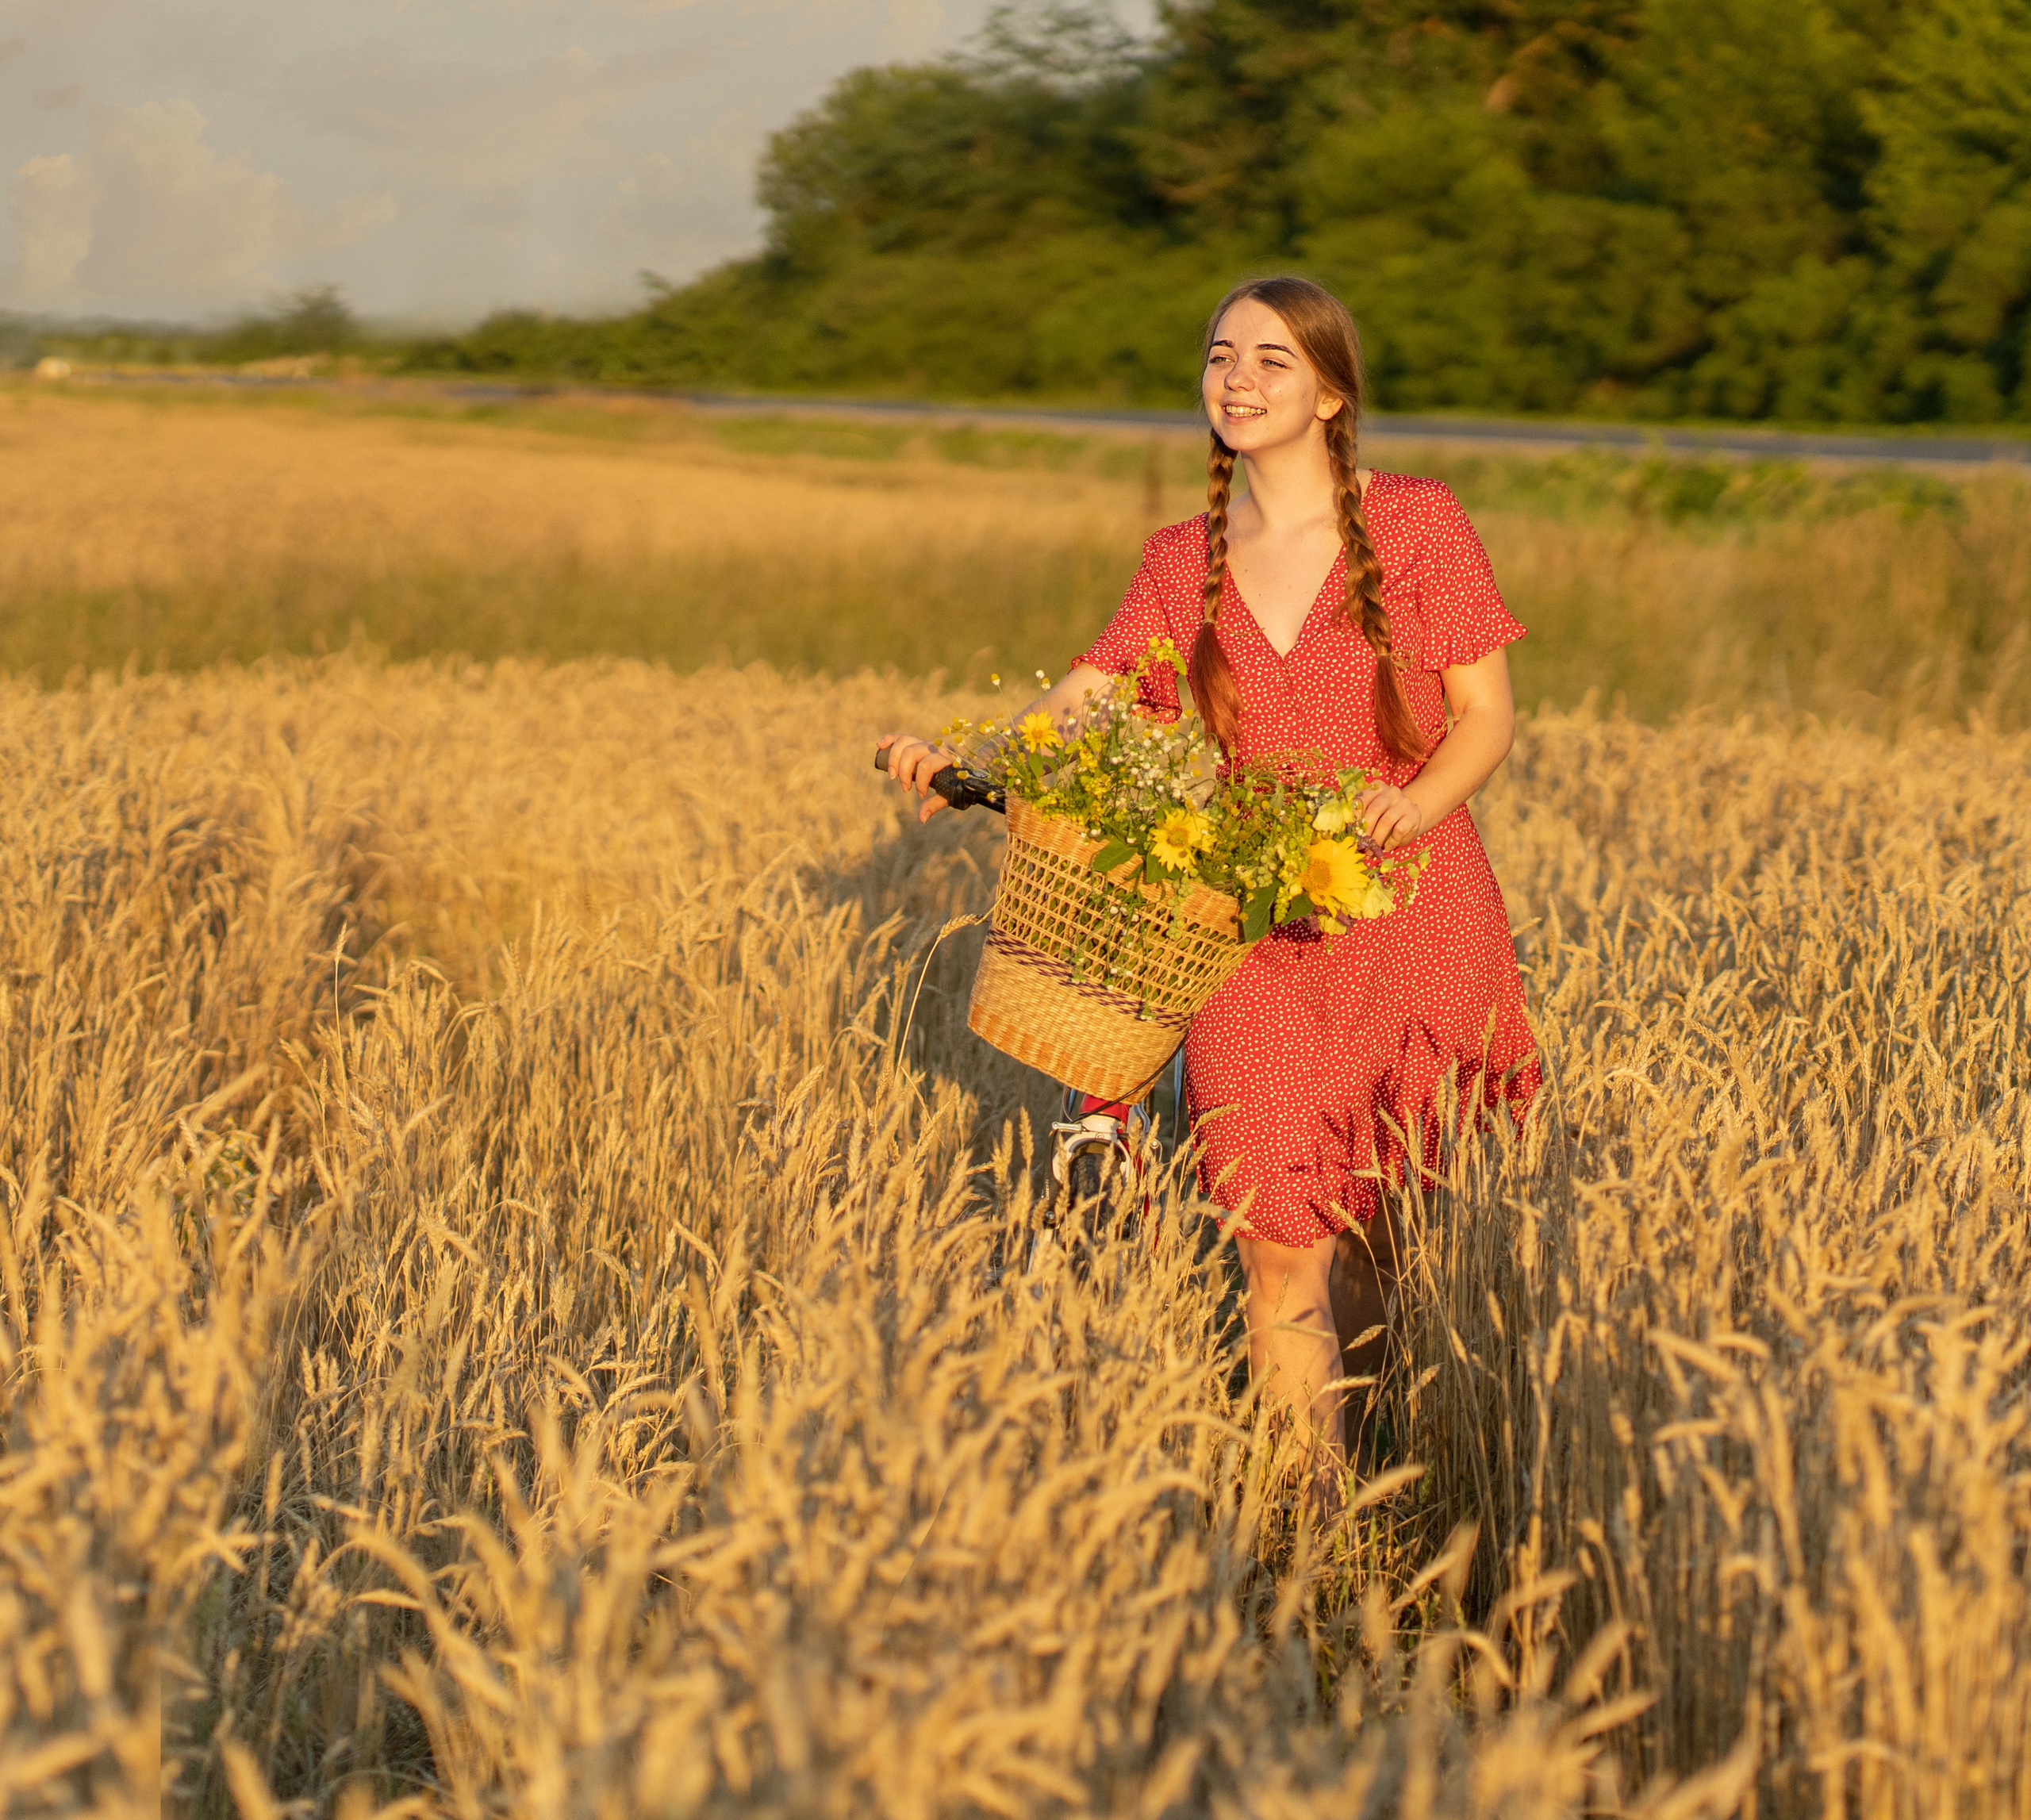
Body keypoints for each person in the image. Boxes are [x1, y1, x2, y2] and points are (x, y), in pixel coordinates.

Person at [878, 275, 1539, 1498]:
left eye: (1272, 360)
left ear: (1332, 392)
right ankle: (1316, 1530)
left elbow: (1484, 717)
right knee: (1277, 1242)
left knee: (1381, 1235)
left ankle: (1378, 1444)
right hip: (1249, 937)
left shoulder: (1420, 523)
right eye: (1221, 355)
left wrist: (1413, 805)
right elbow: (1084, 699)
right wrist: (971, 768)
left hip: (1411, 915)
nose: (1236, 377)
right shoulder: (1179, 557)